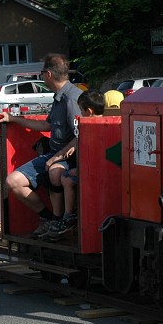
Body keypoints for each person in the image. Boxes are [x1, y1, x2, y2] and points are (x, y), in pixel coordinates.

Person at [0, 54, 84, 238]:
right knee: (14, 182)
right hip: (55, 153)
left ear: (49, 74)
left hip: (72, 158)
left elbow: (81, 136)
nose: (41, 76)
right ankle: (49, 218)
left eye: (42, 73)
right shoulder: (59, 97)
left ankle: (62, 220)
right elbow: (46, 126)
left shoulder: (72, 100)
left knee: (54, 171)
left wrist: (56, 157)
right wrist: (13, 119)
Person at [42, 89, 106, 242]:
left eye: (81, 110)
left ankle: (68, 216)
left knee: (67, 178)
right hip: (94, 169)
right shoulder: (105, 125)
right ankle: (68, 215)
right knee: (66, 176)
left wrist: (80, 169)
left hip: (95, 171)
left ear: (88, 111)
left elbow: (94, 154)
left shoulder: (91, 127)